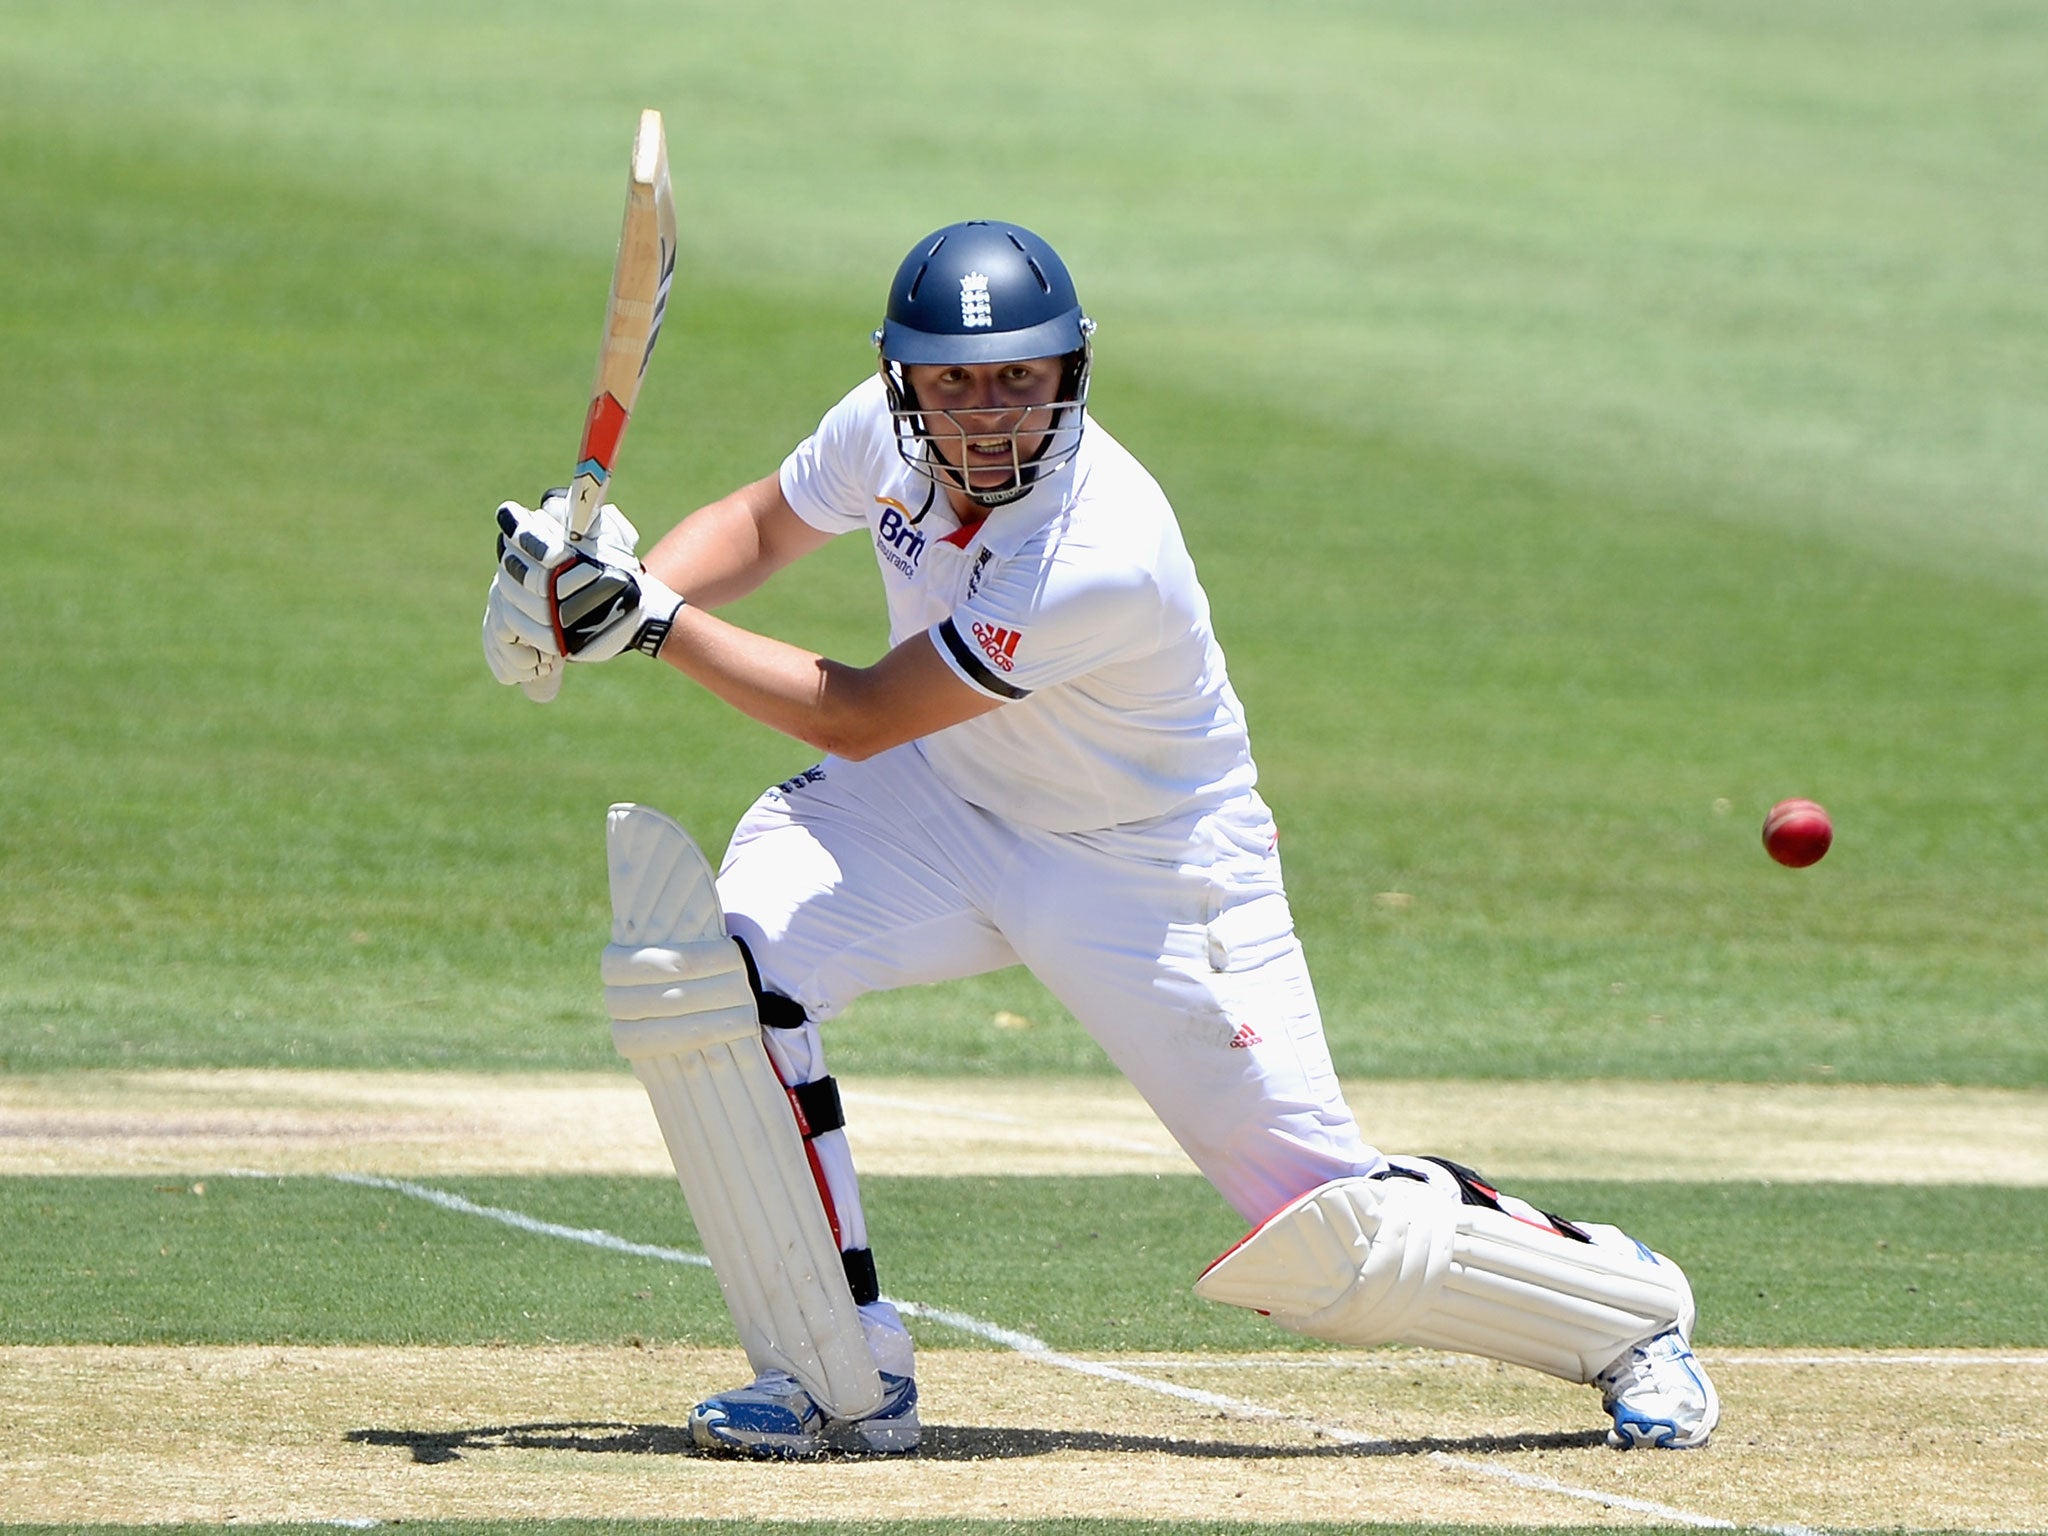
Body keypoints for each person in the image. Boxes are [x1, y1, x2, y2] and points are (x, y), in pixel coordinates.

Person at [481, 220, 1720, 1458]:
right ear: (902, 376)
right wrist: (604, 569)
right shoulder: (878, 428)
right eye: (953, 380)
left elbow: (856, 713)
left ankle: (1625, 1314)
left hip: (1148, 867)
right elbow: (757, 526)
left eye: (1018, 376)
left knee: (1328, 1225)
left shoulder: (1095, 548)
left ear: (1072, 370)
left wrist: (644, 623)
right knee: (715, 980)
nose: (984, 413)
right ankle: (830, 1378)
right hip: (939, 807)